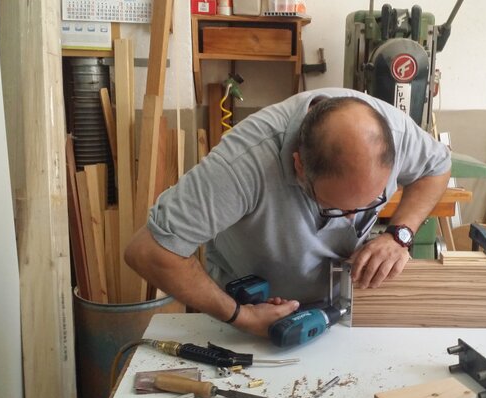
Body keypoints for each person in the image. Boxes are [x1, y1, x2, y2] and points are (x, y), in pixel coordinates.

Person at [125, 88, 451, 337]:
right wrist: (240, 315)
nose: (353, 220)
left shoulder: (396, 133)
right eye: (335, 208)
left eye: (371, 202)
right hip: (249, 317)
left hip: (337, 314)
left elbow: (437, 167)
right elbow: (149, 251)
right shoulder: (244, 164)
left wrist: (399, 234)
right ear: (298, 166)